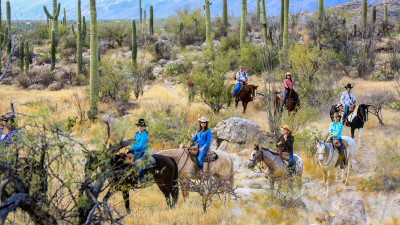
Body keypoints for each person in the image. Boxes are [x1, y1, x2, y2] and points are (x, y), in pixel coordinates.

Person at [128, 119, 149, 184]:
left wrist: (132, 147)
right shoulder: (136, 134)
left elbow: (141, 147)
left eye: (141, 126)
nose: (140, 127)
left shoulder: (144, 135)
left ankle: (142, 179)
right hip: (135, 152)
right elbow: (133, 143)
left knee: (137, 163)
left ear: (144, 127)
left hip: (142, 152)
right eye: (138, 126)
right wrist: (129, 148)